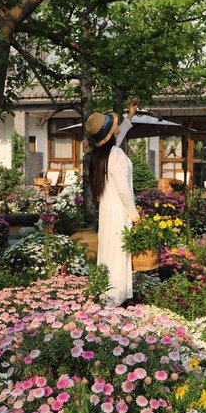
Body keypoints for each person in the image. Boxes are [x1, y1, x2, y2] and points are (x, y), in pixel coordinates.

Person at [87, 101, 138, 306]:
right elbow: (124, 189)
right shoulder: (116, 155)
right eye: (114, 126)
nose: (117, 128)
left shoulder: (101, 155)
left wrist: (130, 116)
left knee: (109, 250)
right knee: (119, 251)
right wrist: (135, 215)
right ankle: (115, 299)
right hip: (119, 211)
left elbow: (118, 137)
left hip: (107, 212)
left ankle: (106, 294)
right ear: (109, 134)